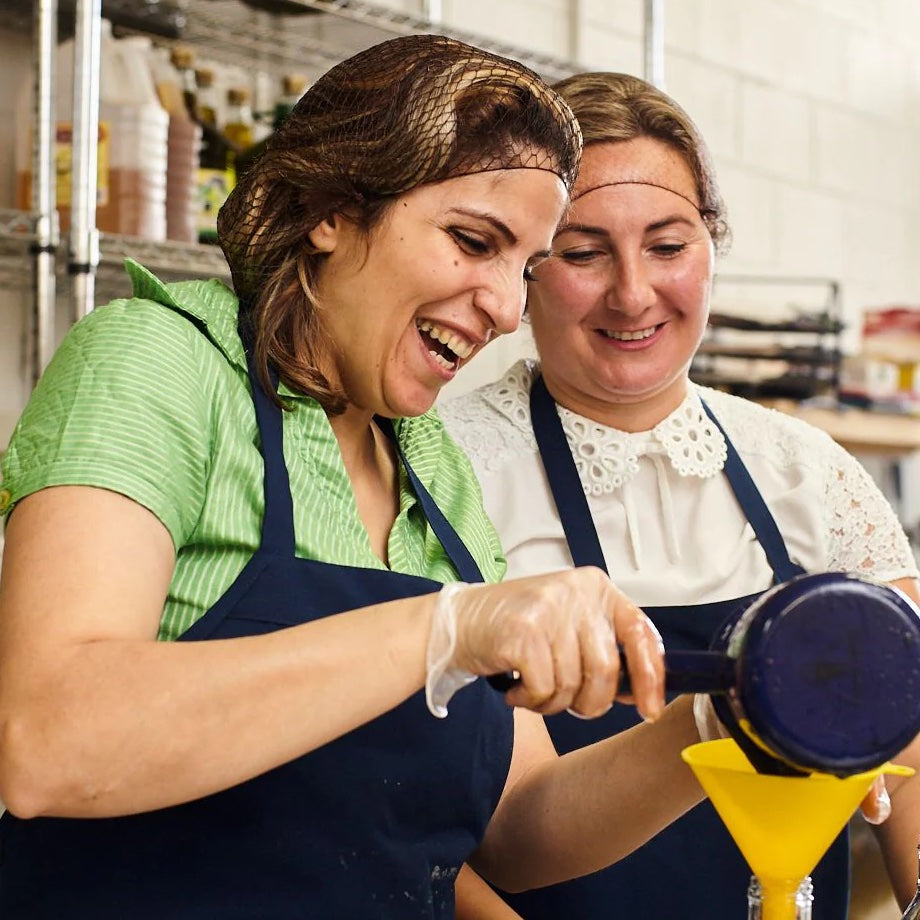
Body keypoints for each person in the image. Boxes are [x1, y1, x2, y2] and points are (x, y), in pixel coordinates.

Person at [0, 35, 727, 919]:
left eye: (524, 267)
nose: (505, 308)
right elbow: (49, 741)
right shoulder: (159, 362)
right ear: (334, 209)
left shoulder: (430, 470)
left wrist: (714, 729)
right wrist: (447, 628)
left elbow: (520, 824)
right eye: (472, 240)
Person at [439, 70, 920, 919]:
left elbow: (911, 748)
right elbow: (412, 829)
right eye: (583, 253)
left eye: (667, 246)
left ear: (711, 246)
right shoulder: (447, 469)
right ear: (522, 273)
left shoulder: (810, 473)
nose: (633, 293)